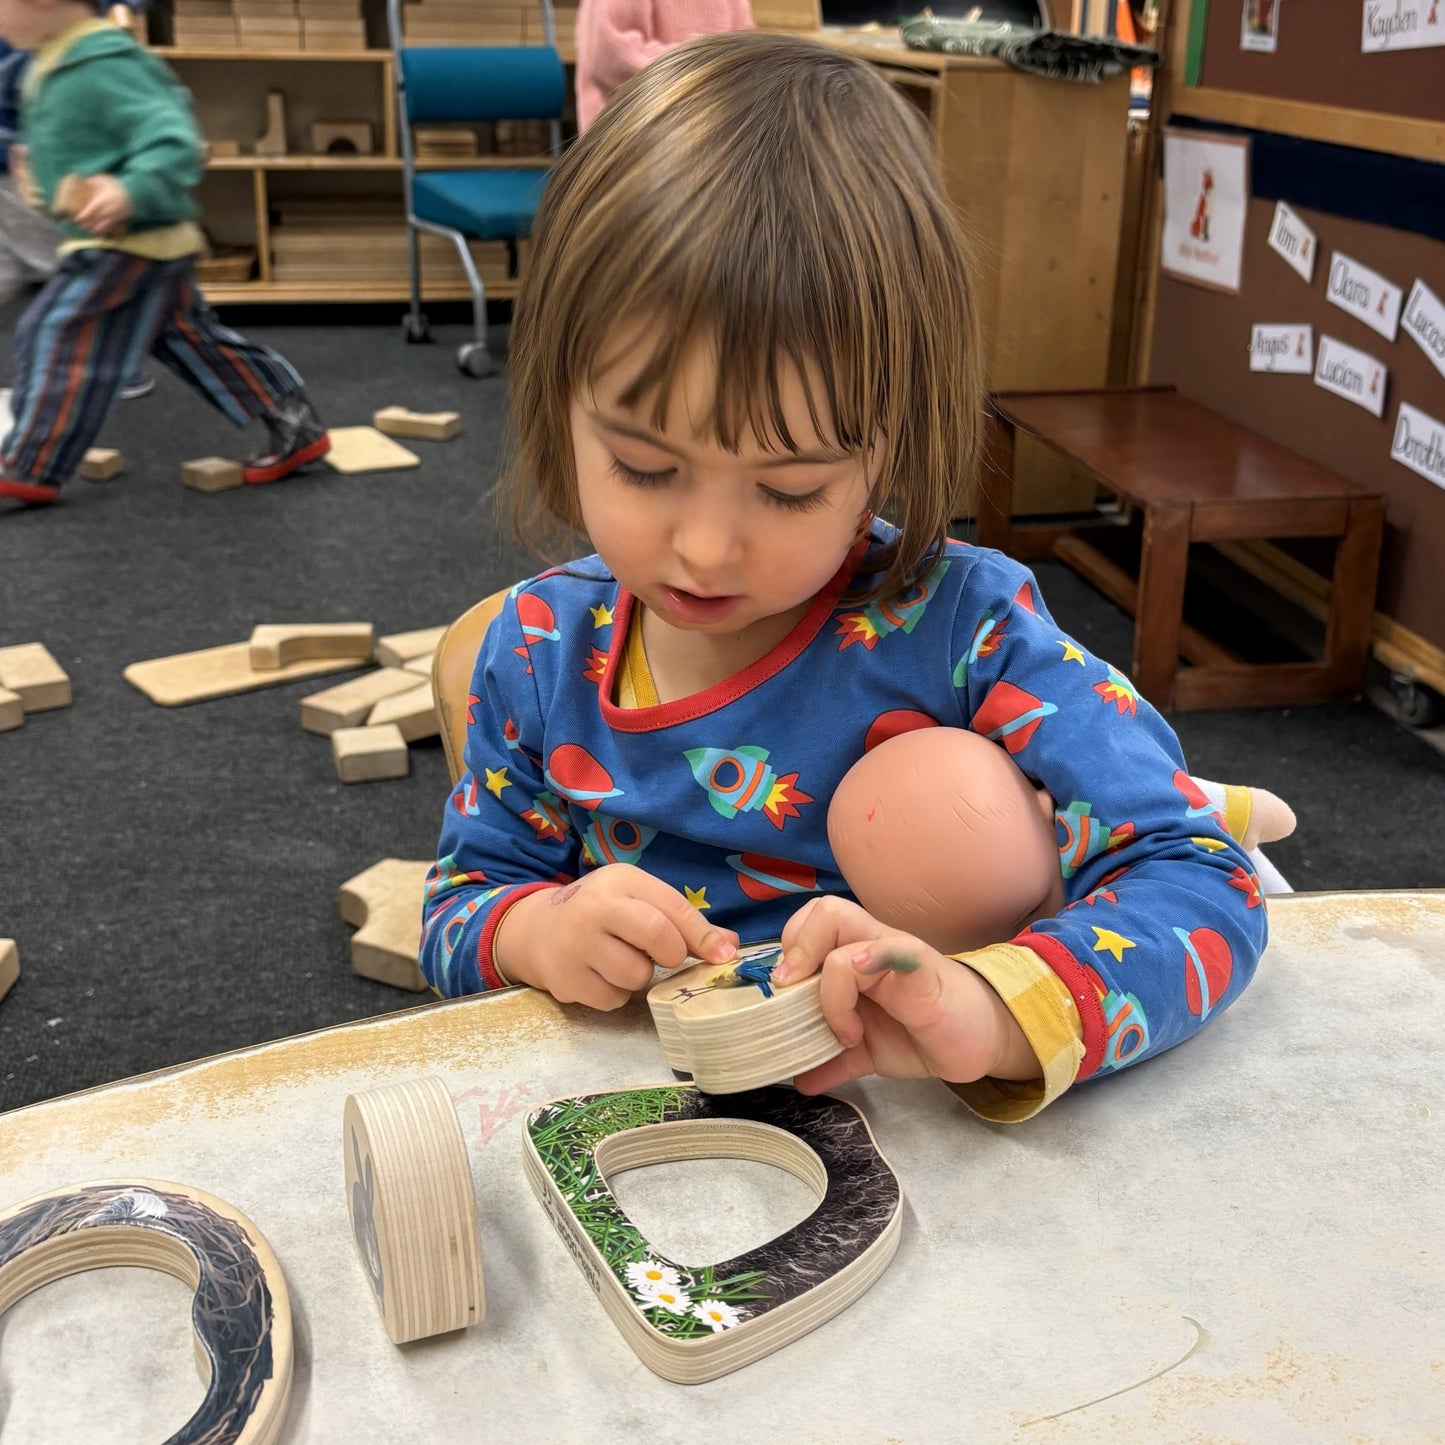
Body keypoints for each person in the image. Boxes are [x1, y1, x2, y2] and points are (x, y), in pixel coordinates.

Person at [421, 31, 1269, 1122]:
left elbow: (1200, 876)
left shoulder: (962, 624)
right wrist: (533, 929)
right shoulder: (542, 647)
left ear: (887, 444)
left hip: (930, 1132)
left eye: (788, 489)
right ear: (559, 408)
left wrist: (992, 1005)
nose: (707, 549)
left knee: (940, 805)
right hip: (650, 1127)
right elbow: (455, 909)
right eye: (642, 466)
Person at [0, 0, 328, 508]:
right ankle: (295, 423)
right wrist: (35, 171)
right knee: (194, 341)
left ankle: (30, 463)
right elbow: (77, 146)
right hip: (141, 244)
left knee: (55, 331)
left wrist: (131, 190)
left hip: (129, 242)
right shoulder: (48, 61)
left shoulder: (105, 62)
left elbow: (174, 140)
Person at [574, 0, 753, 132]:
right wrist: (705, 66)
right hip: (634, 135)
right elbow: (607, 53)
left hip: (713, 125)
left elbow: (744, 43)